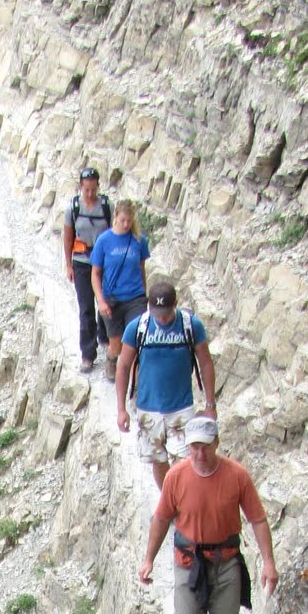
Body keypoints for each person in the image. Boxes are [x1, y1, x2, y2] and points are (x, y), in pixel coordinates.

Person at [138, 415, 277, 614]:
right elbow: (162, 518)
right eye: (194, 447)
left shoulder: (237, 476)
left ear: (216, 443)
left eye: (205, 446)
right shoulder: (176, 477)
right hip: (189, 563)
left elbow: (258, 519)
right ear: (188, 446)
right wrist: (148, 559)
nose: (200, 453)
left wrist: (268, 563)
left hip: (226, 562)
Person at [115, 277, 217, 490]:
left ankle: (181, 502)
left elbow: (206, 363)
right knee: (158, 460)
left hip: (182, 409)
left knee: (184, 462)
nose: (161, 319)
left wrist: (210, 404)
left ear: (175, 304)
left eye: (166, 314)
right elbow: (123, 366)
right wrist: (121, 409)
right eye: (157, 314)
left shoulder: (191, 326)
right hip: (148, 409)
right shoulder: (138, 327)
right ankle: (168, 500)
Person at [90, 197, 149, 382]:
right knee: (116, 342)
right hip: (112, 298)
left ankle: (135, 378)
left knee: (135, 338)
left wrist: (144, 294)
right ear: (115, 216)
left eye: (129, 221)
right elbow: (95, 273)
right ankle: (111, 358)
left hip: (135, 297)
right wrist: (100, 300)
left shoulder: (139, 240)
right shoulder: (104, 241)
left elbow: (141, 268)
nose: (126, 224)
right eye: (123, 220)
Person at [61, 167, 111, 374]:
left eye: (93, 189)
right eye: (86, 189)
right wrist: (68, 265)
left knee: (105, 302)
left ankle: (105, 338)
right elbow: (68, 238)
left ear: (98, 187)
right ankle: (88, 354)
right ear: (80, 187)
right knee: (86, 307)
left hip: (103, 262)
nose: (90, 194)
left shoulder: (106, 207)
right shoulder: (73, 208)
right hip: (81, 261)